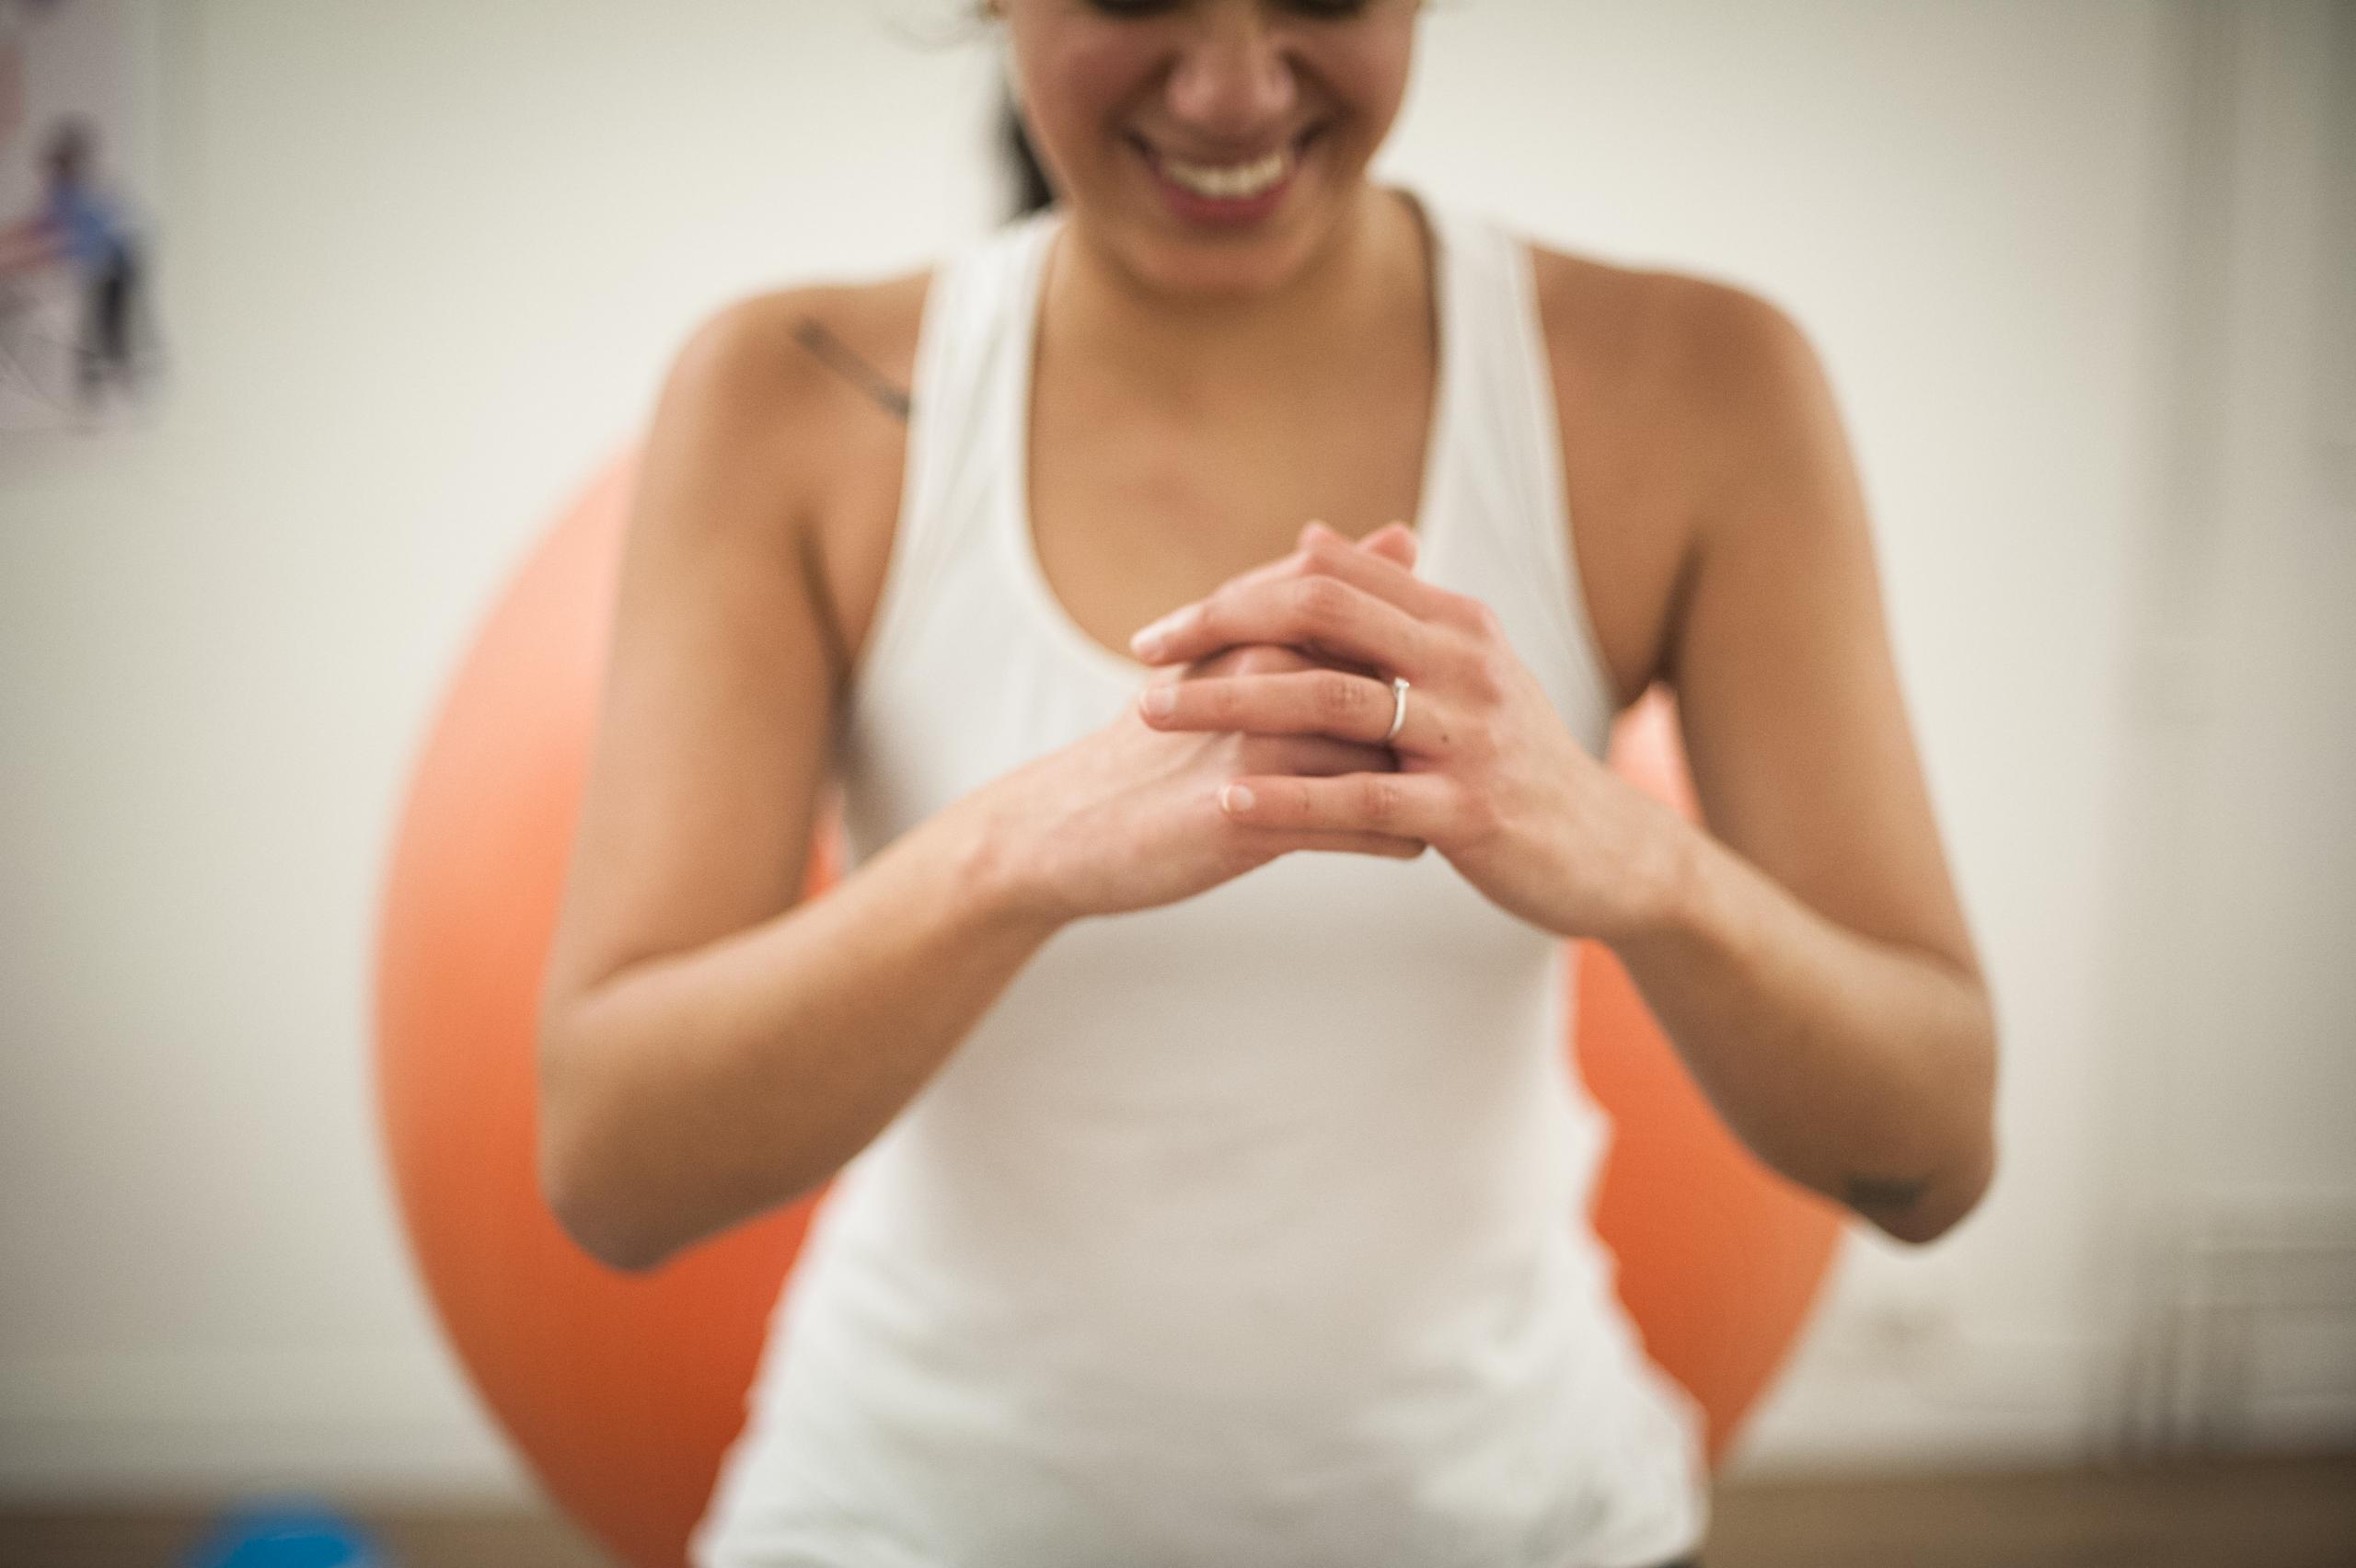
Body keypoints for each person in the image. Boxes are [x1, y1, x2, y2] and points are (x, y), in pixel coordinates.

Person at [534, 3, 1999, 1564]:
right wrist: (1005, 855)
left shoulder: (1697, 386)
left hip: (1512, 1515)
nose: (1233, 88)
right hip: (906, 1516)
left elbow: (1931, 1149)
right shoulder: (789, 393)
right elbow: (618, 1170)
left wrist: (1645, 859)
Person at [0, 117, 147, 409]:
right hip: (99, 268)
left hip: (115, 267)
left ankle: (123, 394)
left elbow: (76, 235)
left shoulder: (83, 193)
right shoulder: (61, 193)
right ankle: (100, 395)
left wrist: (39, 255)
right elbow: (39, 225)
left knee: (108, 329)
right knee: (96, 328)